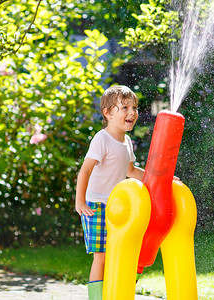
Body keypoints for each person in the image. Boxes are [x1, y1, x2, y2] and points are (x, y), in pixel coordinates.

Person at [75, 85, 145, 300]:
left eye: (134, 107)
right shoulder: (102, 139)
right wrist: (80, 202)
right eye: (124, 107)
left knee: (124, 254)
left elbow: (131, 171)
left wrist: (161, 178)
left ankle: (118, 292)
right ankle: (97, 298)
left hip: (118, 208)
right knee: (102, 256)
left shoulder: (126, 142)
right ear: (108, 113)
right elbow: (85, 169)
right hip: (95, 206)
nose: (132, 112)